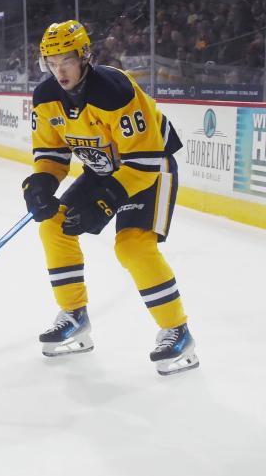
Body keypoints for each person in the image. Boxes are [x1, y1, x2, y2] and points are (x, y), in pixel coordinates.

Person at [22, 21, 199, 376]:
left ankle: (178, 330)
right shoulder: (45, 97)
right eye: (52, 62)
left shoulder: (114, 90)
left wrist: (106, 200)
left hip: (151, 167)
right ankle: (75, 315)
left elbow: (144, 160)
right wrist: (41, 182)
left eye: (67, 60)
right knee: (53, 225)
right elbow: (52, 154)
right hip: (106, 171)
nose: (60, 70)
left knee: (132, 245)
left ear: (85, 56)